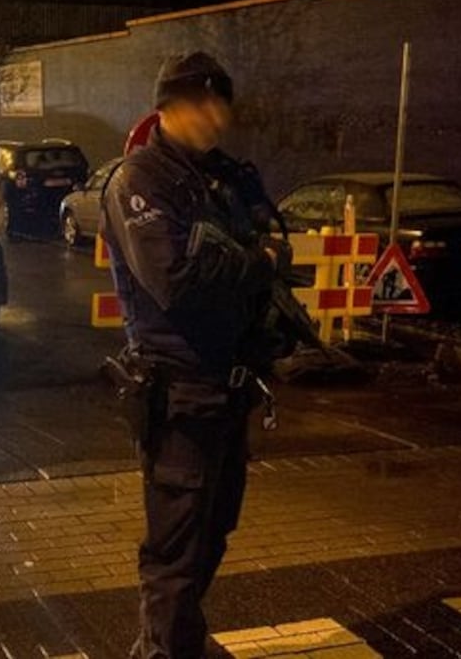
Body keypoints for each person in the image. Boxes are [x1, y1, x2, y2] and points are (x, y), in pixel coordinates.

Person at [101, 52, 293, 658]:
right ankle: (163, 650)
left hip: (229, 387)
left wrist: (255, 260)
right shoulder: (142, 180)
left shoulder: (224, 177)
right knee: (176, 549)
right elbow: (176, 281)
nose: (217, 116)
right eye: (203, 103)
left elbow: (273, 243)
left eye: (222, 104)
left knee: (214, 532)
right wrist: (252, 262)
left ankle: (180, 640)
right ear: (169, 106)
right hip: (179, 390)